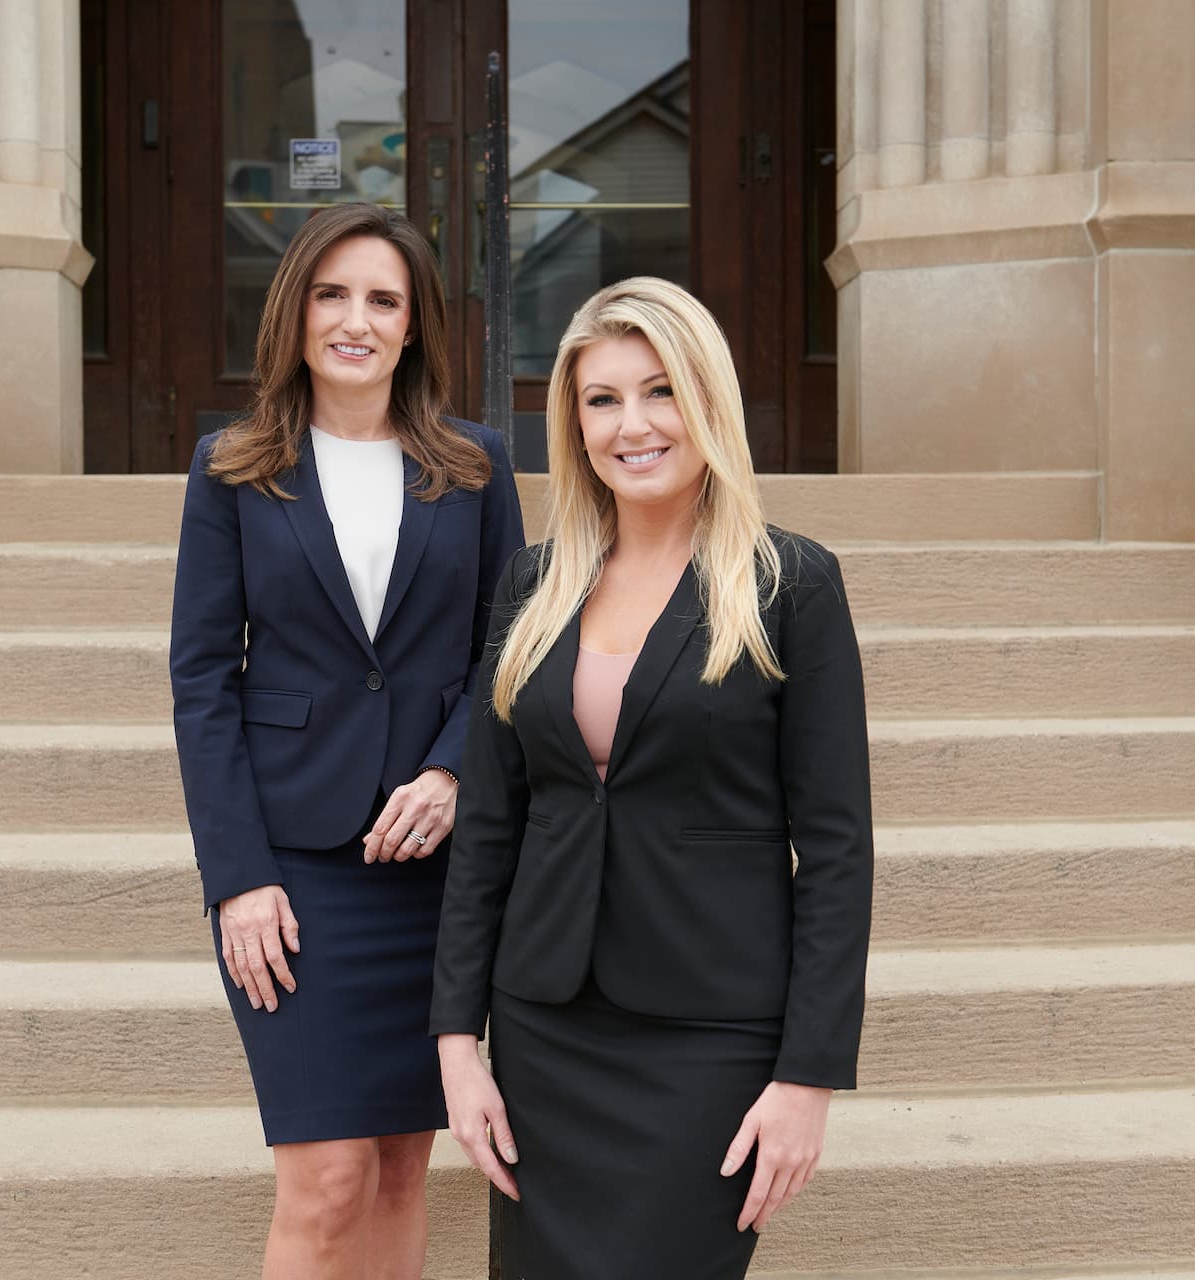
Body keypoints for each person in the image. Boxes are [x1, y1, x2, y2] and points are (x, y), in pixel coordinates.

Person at [429, 277, 873, 1278]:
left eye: (659, 390)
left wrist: (807, 1074)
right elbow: (492, 825)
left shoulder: (790, 585)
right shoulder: (534, 584)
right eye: (601, 399)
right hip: (546, 1027)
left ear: (706, 399)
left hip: (710, 1035)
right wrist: (459, 1039)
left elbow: (838, 847)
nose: (631, 424)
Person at [171, 201, 525, 1279]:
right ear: (297, 310)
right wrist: (237, 877)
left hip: (433, 870)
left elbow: (506, 645)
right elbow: (201, 680)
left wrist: (455, 767)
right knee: (325, 1176)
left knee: (403, 1168)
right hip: (293, 872)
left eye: (383, 298)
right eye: (332, 294)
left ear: (414, 325)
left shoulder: (476, 464)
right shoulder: (232, 466)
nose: (355, 320)